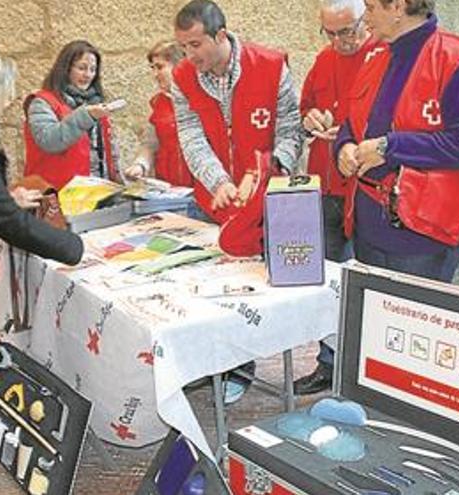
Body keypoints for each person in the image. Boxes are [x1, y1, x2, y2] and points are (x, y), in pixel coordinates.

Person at [172, 0, 303, 404]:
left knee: (250, 296)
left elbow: (291, 131)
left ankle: (240, 367)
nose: (190, 56)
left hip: (266, 203)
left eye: (195, 45)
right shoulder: (182, 78)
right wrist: (218, 180)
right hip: (213, 201)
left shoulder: (271, 65)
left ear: (221, 36)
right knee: (211, 296)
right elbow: (191, 136)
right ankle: (212, 367)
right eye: (183, 47)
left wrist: (266, 170)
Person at [0, 44, 84, 434]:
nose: (9, 99)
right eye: (4, 89)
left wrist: (5, 195)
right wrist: (74, 247)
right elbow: (10, 223)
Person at [334, 0, 459, 281]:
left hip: (423, 233)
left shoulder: (456, 59)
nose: (365, 17)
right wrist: (343, 146)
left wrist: (391, 148)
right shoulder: (376, 56)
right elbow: (353, 121)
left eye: (370, 7)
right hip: (368, 224)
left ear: (397, 7)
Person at [294, 0, 385, 396]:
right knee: (328, 277)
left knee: (364, 278)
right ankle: (328, 363)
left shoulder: (383, 57)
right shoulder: (323, 58)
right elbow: (305, 107)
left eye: (346, 31)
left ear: (365, 21)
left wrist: (349, 133)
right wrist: (310, 119)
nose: (339, 41)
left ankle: (366, 367)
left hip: (364, 186)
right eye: (330, 33)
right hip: (325, 182)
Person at [23, 40, 122, 189]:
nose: (88, 75)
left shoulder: (95, 102)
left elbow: (106, 153)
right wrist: (86, 116)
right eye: (82, 68)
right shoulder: (41, 102)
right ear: (66, 68)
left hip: (95, 191)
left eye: (93, 69)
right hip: (57, 193)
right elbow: (49, 140)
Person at [124, 40, 193, 187]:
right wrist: (140, 165)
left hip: (203, 188)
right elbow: (150, 144)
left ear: (180, 65)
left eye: (160, 67)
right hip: (169, 188)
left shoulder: (204, 100)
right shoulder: (157, 103)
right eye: (152, 68)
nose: (155, 74)